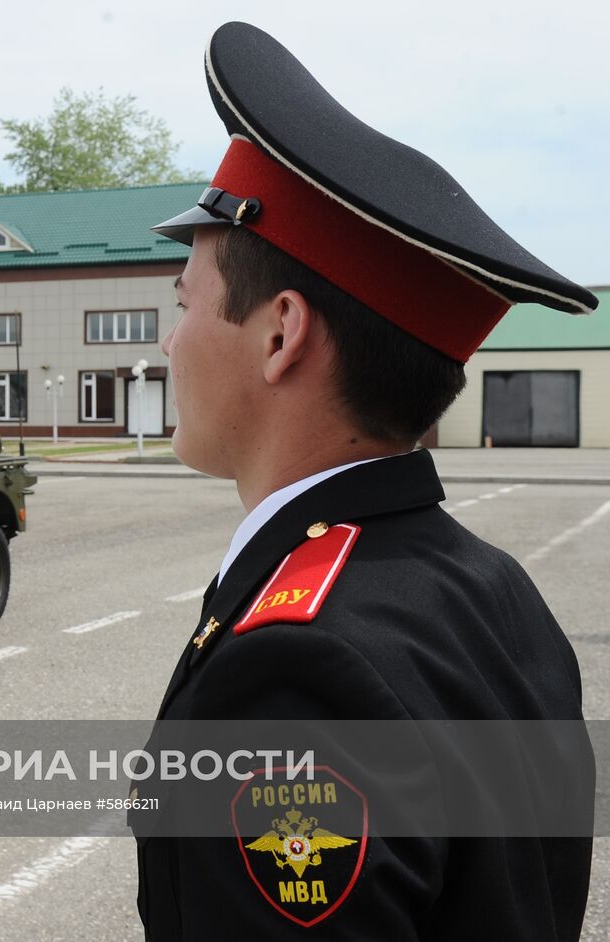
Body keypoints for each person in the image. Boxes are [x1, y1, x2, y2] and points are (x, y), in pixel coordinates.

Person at [131, 23, 596, 940]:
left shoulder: (295, 673)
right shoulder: (492, 588)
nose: (167, 340)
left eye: (183, 303)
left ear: (280, 333)